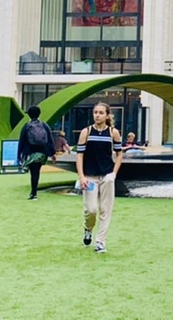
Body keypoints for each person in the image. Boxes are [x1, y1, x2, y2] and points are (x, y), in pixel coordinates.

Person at [76, 102, 124, 254]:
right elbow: (80, 155)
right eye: (95, 112)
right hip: (89, 176)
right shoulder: (86, 132)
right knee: (91, 209)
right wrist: (81, 176)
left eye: (101, 113)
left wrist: (113, 174)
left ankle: (101, 242)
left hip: (107, 176)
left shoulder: (113, 133)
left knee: (105, 210)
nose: (97, 115)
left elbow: (119, 154)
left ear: (107, 115)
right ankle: (88, 228)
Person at [17, 105, 56, 200]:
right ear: (39, 114)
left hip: (30, 152)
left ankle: (33, 193)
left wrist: (19, 154)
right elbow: (50, 140)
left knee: (33, 173)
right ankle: (34, 193)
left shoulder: (26, 126)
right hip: (42, 153)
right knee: (37, 172)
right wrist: (52, 153)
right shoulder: (44, 125)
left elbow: (21, 141)